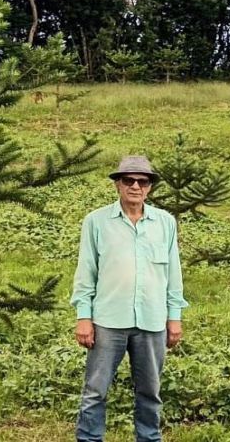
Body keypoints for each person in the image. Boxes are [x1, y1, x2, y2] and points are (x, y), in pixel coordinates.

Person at [71, 155, 187, 442]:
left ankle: (149, 438)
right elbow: (86, 271)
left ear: (149, 187)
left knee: (150, 391)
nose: (135, 186)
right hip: (108, 321)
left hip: (152, 321)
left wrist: (175, 318)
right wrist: (83, 316)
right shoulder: (96, 222)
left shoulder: (165, 223)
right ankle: (89, 438)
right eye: (128, 180)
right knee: (95, 390)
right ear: (117, 185)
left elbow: (174, 273)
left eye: (142, 181)